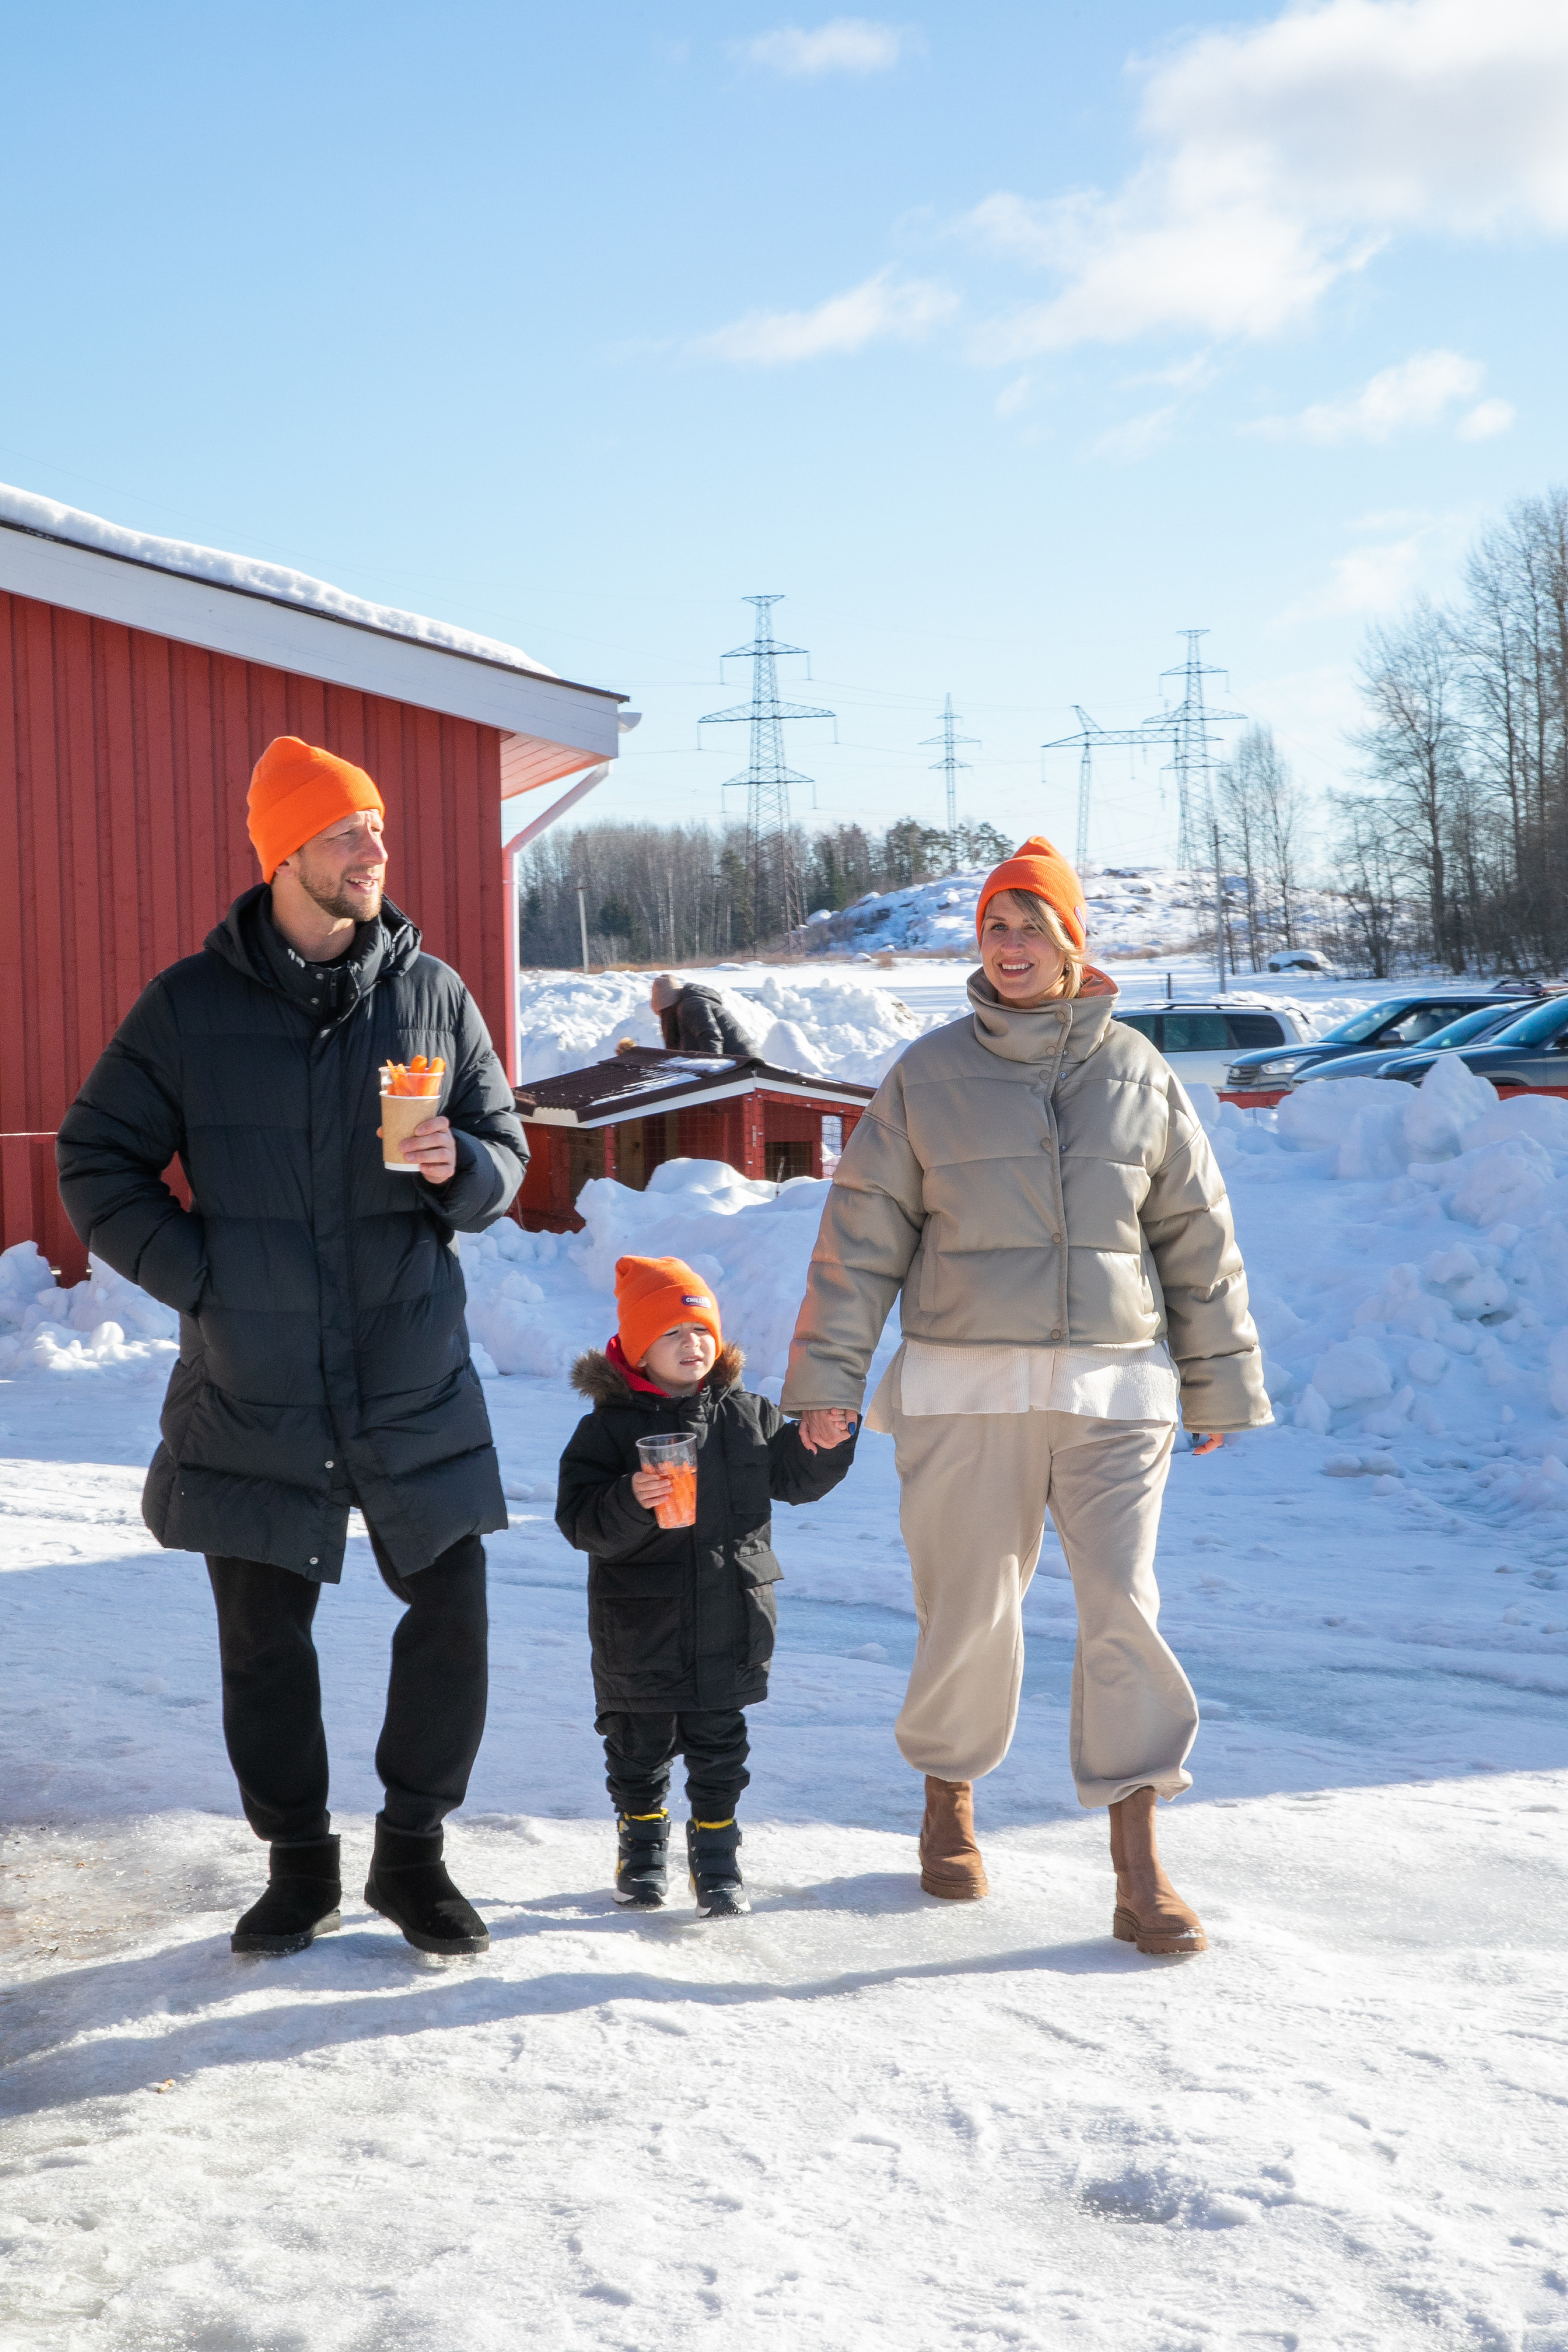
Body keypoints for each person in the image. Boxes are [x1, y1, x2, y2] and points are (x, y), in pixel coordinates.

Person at [56, 736, 527, 1961]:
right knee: (263, 1640)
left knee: (454, 1614)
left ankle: (413, 1857)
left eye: (377, 827)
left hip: (410, 1370)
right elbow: (95, 1159)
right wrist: (201, 1278)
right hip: (253, 1380)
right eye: (345, 831)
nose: (374, 849)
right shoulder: (189, 1008)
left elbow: (506, 1152)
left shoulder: (432, 994)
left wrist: (464, 1169)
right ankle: (298, 1866)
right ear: (284, 853)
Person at [782, 835, 1272, 1955]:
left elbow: (1195, 1236)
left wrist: (1216, 1381)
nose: (1010, 948)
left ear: (1071, 944)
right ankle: (948, 1799)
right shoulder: (927, 1074)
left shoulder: (1139, 1072)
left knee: (1124, 1608)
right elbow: (860, 1239)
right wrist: (829, 1381)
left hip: (1114, 1390)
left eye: (1031, 929)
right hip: (965, 1391)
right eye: (995, 928)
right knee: (967, 1608)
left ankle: (1139, 1860)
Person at [556, 1254, 856, 1918]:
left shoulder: (747, 1414)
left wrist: (823, 1442)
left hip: (731, 1619)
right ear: (639, 1347)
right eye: (671, 1333)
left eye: (701, 1331)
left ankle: (717, 1859)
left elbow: (795, 1479)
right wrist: (630, 1497)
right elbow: (579, 1522)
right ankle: (641, 1850)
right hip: (640, 1626)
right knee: (636, 1750)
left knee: (721, 1750)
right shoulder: (607, 1429)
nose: (692, 1344)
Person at [649, 974, 761, 1057]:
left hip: (745, 1065)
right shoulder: (686, 1009)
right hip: (742, 1062)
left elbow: (711, 1037)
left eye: (661, 1014)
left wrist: (711, 1069)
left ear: (666, 1008)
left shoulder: (690, 1005)